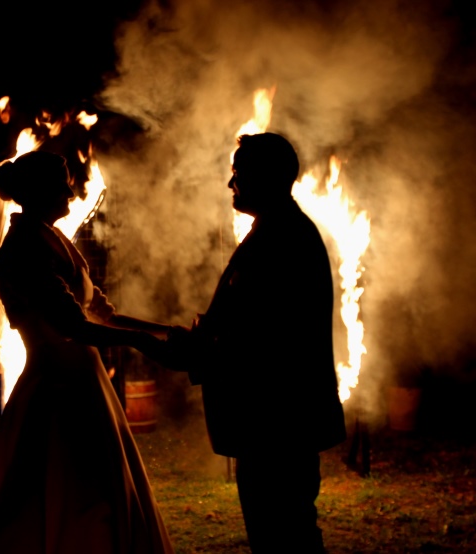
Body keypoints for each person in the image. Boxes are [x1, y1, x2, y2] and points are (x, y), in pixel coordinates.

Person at [0, 150, 174, 554]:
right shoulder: (22, 250)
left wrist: (164, 331)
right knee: (67, 496)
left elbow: (101, 313)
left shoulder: (52, 239)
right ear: (37, 191)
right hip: (56, 394)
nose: (71, 193)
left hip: (85, 387)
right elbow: (72, 326)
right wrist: (144, 343)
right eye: (62, 184)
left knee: (102, 493)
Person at [157, 133, 347, 553]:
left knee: (284, 534)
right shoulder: (273, 231)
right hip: (270, 421)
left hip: (278, 420)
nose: (231, 184)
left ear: (268, 177)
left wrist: (197, 346)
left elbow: (266, 339)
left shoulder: (285, 240)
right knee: (278, 532)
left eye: (238, 174)